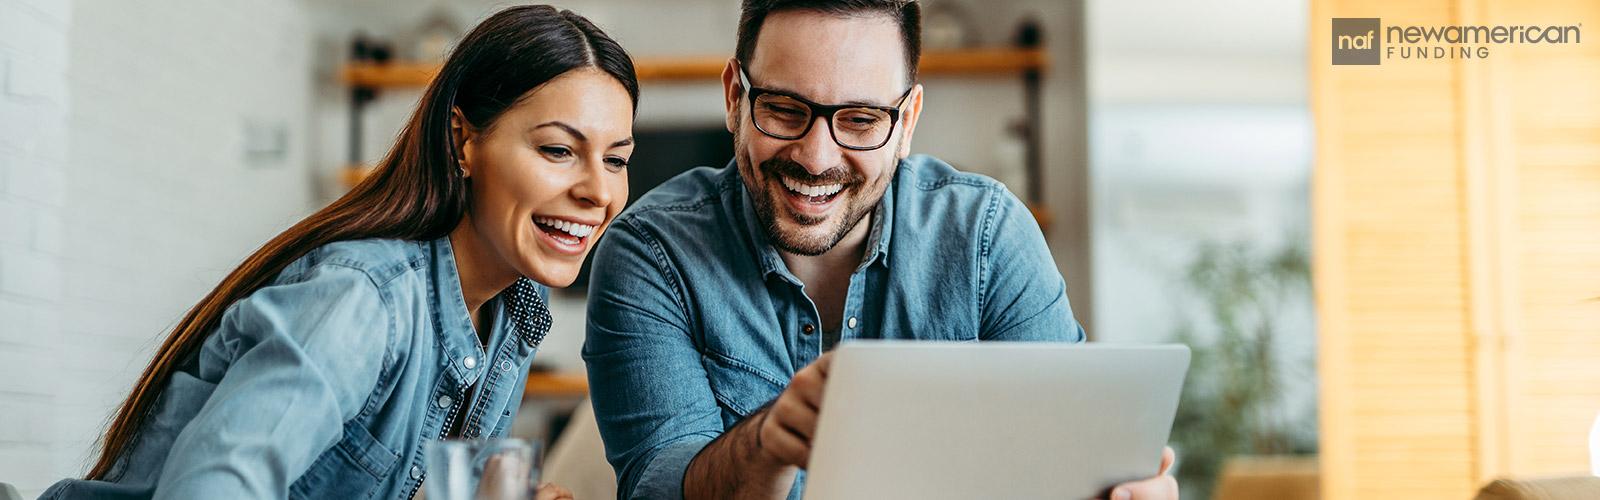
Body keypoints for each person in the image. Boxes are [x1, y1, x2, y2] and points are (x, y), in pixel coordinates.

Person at [582, 1, 1179, 499]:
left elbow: (1067, 461)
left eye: (862, 120)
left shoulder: (988, 237)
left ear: (908, 119)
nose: (817, 158)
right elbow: (659, 487)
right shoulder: (651, 253)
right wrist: (767, 446)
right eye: (785, 110)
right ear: (736, 98)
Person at [41, 5, 637, 499]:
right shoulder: (364, 299)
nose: (598, 191)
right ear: (464, 140)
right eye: (559, 150)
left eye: (616, 159)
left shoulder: (513, 319)